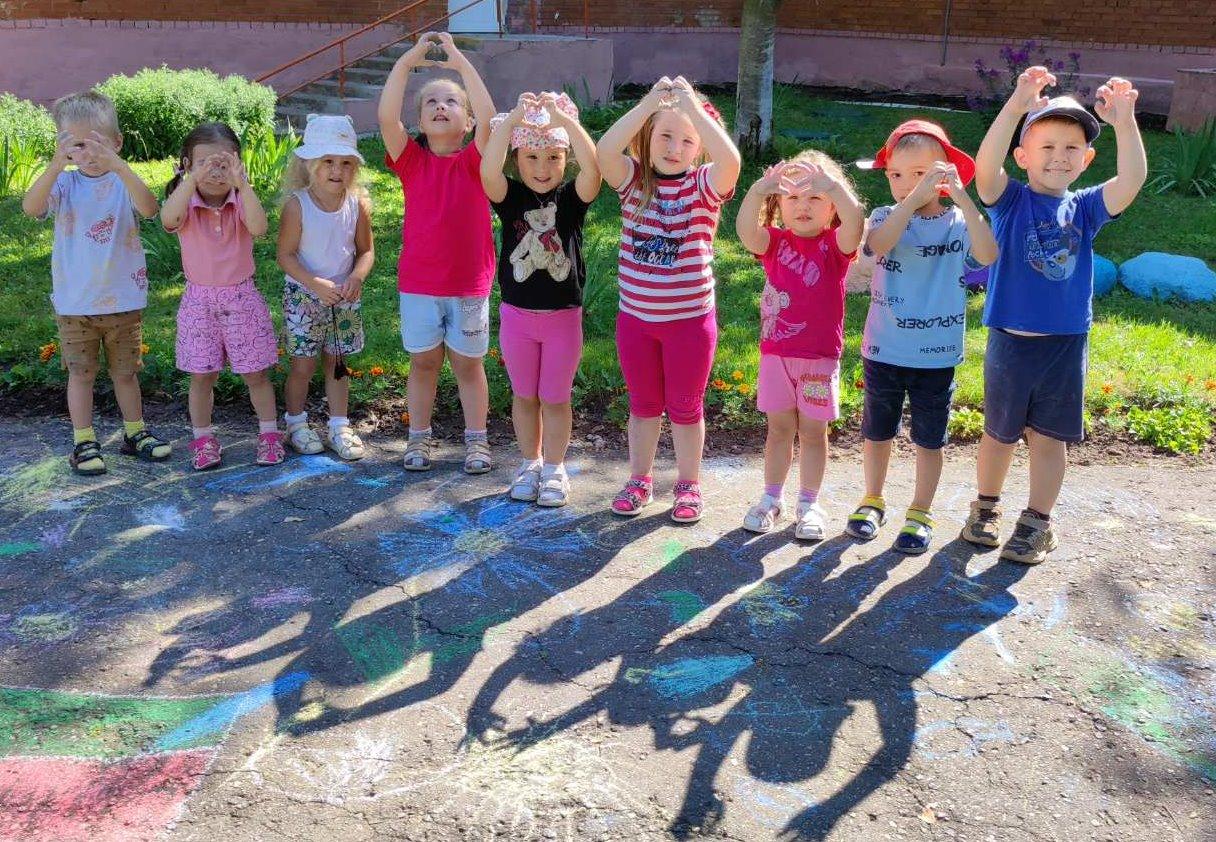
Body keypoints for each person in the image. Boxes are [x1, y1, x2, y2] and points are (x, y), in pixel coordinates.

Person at [962, 68, 1146, 563]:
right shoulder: (1010, 200)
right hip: (1010, 341)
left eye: (1071, 148)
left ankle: (1036, 523)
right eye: (1046, 146)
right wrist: (1016, 105)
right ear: (1023, 156)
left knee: (1049, 439)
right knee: (998, 435)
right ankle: (985, 509)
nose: (1059, 156)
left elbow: (1131, 181)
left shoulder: (1086, 208)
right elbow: (984, 168)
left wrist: (1126, 121)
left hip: (1064, 345)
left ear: (1086, 159)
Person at [847, 120, 998, 553]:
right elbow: (878, 245)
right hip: (885, 349)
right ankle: (872, 500)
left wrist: (964, 198)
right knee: (878, 432)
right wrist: (912, 200)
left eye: (919, 174)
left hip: (937, 356)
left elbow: (988, 255)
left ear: (945, 175)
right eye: (895, 174)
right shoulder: (885, 216)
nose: (904, 184)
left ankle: (920, 512)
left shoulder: (959, 222)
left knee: (930, 439)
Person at [596, 75, 742, 523]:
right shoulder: (633, 180)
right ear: (648, 137)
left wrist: (692, 108)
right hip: (636, 322)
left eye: (687, 140)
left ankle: (688, 484)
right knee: (642, 405)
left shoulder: (704, 185)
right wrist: (648, 105)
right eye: (665, 135)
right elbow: (604, 152)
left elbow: (731, 161)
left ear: (699, 148)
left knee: (685, 408)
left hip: (690, 323)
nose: (674, 147)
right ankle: (639, 480)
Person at [21, 91, 168, 475]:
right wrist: (54, 166)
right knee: (81, 374)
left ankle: (134, 432)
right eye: (76, 144)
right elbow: (31, 208)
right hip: (76, 304)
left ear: (117, 142)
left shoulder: (122, 182)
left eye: (96, 143)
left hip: (123, 300)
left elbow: (150, 208)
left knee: (126, 373)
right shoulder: (64, 185)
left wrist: (121, 167)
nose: (87, 153)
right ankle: (83, 441)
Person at [378, 31, 497, 474]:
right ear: (421, 121)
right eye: (431, 102)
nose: (441, 106)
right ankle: (419, 438)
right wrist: (407, 62)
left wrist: (459, 62)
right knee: (423, 363)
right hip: (420, 285)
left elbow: (490, 118)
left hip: (468, 285)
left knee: (469, 366)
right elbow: (386, 117)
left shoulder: (477, 160)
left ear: (467, 122)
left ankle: (477, 441)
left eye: (451, 102)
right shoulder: (411, 161)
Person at [735, 150, 864, 540]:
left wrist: (835, 187)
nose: (803, 206)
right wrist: (758, 190)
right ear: (779, 205)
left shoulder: (835, 246)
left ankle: (809, 504)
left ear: (831, 208)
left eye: (815, 197)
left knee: (812, 432)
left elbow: (856, 222)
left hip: (819, 360)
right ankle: (770, 499)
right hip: (776, 356)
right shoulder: (773, 242)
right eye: (792, 197)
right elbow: (745, 231)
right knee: (778, 430)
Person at [482, 91, 600, 506]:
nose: (543, 167)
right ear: (517, 160)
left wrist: (566, 122)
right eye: (532, 157)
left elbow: (593, 169)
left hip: (562, 319)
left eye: (554, 157)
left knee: (555, 397)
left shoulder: (570, 200)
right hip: (517, 317)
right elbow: (487, 169)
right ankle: (529, 464)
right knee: (525, 395)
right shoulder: (511, 198)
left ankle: (554, 468)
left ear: (566, 159)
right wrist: (513, 119)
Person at [161, 122, 281, 470]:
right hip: (199, 303)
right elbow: (168, 218)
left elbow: (259, 227)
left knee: (256, 373)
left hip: (242, 299)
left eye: (224, 163)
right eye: (204, 163)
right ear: (187, 165)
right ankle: (203, 440)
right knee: (201, 376)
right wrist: (190, 180)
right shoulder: (185, 202)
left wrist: (242, 185)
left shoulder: (241, 199)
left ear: (238, 164)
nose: (215, 172)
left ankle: (269, 435)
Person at [277, 114, 375, 461]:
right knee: (303, 365)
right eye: (328, 161)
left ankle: (339, 425)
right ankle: (296, 424)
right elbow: (285, 255)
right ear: (310, 165)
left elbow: (366, 251)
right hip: (304, 296)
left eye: (346, 163)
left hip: (344, 297)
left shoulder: (357, 205)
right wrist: (313, 283)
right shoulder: (297, 205)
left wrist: (357, 277)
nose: (337, 170)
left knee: (337, 363)